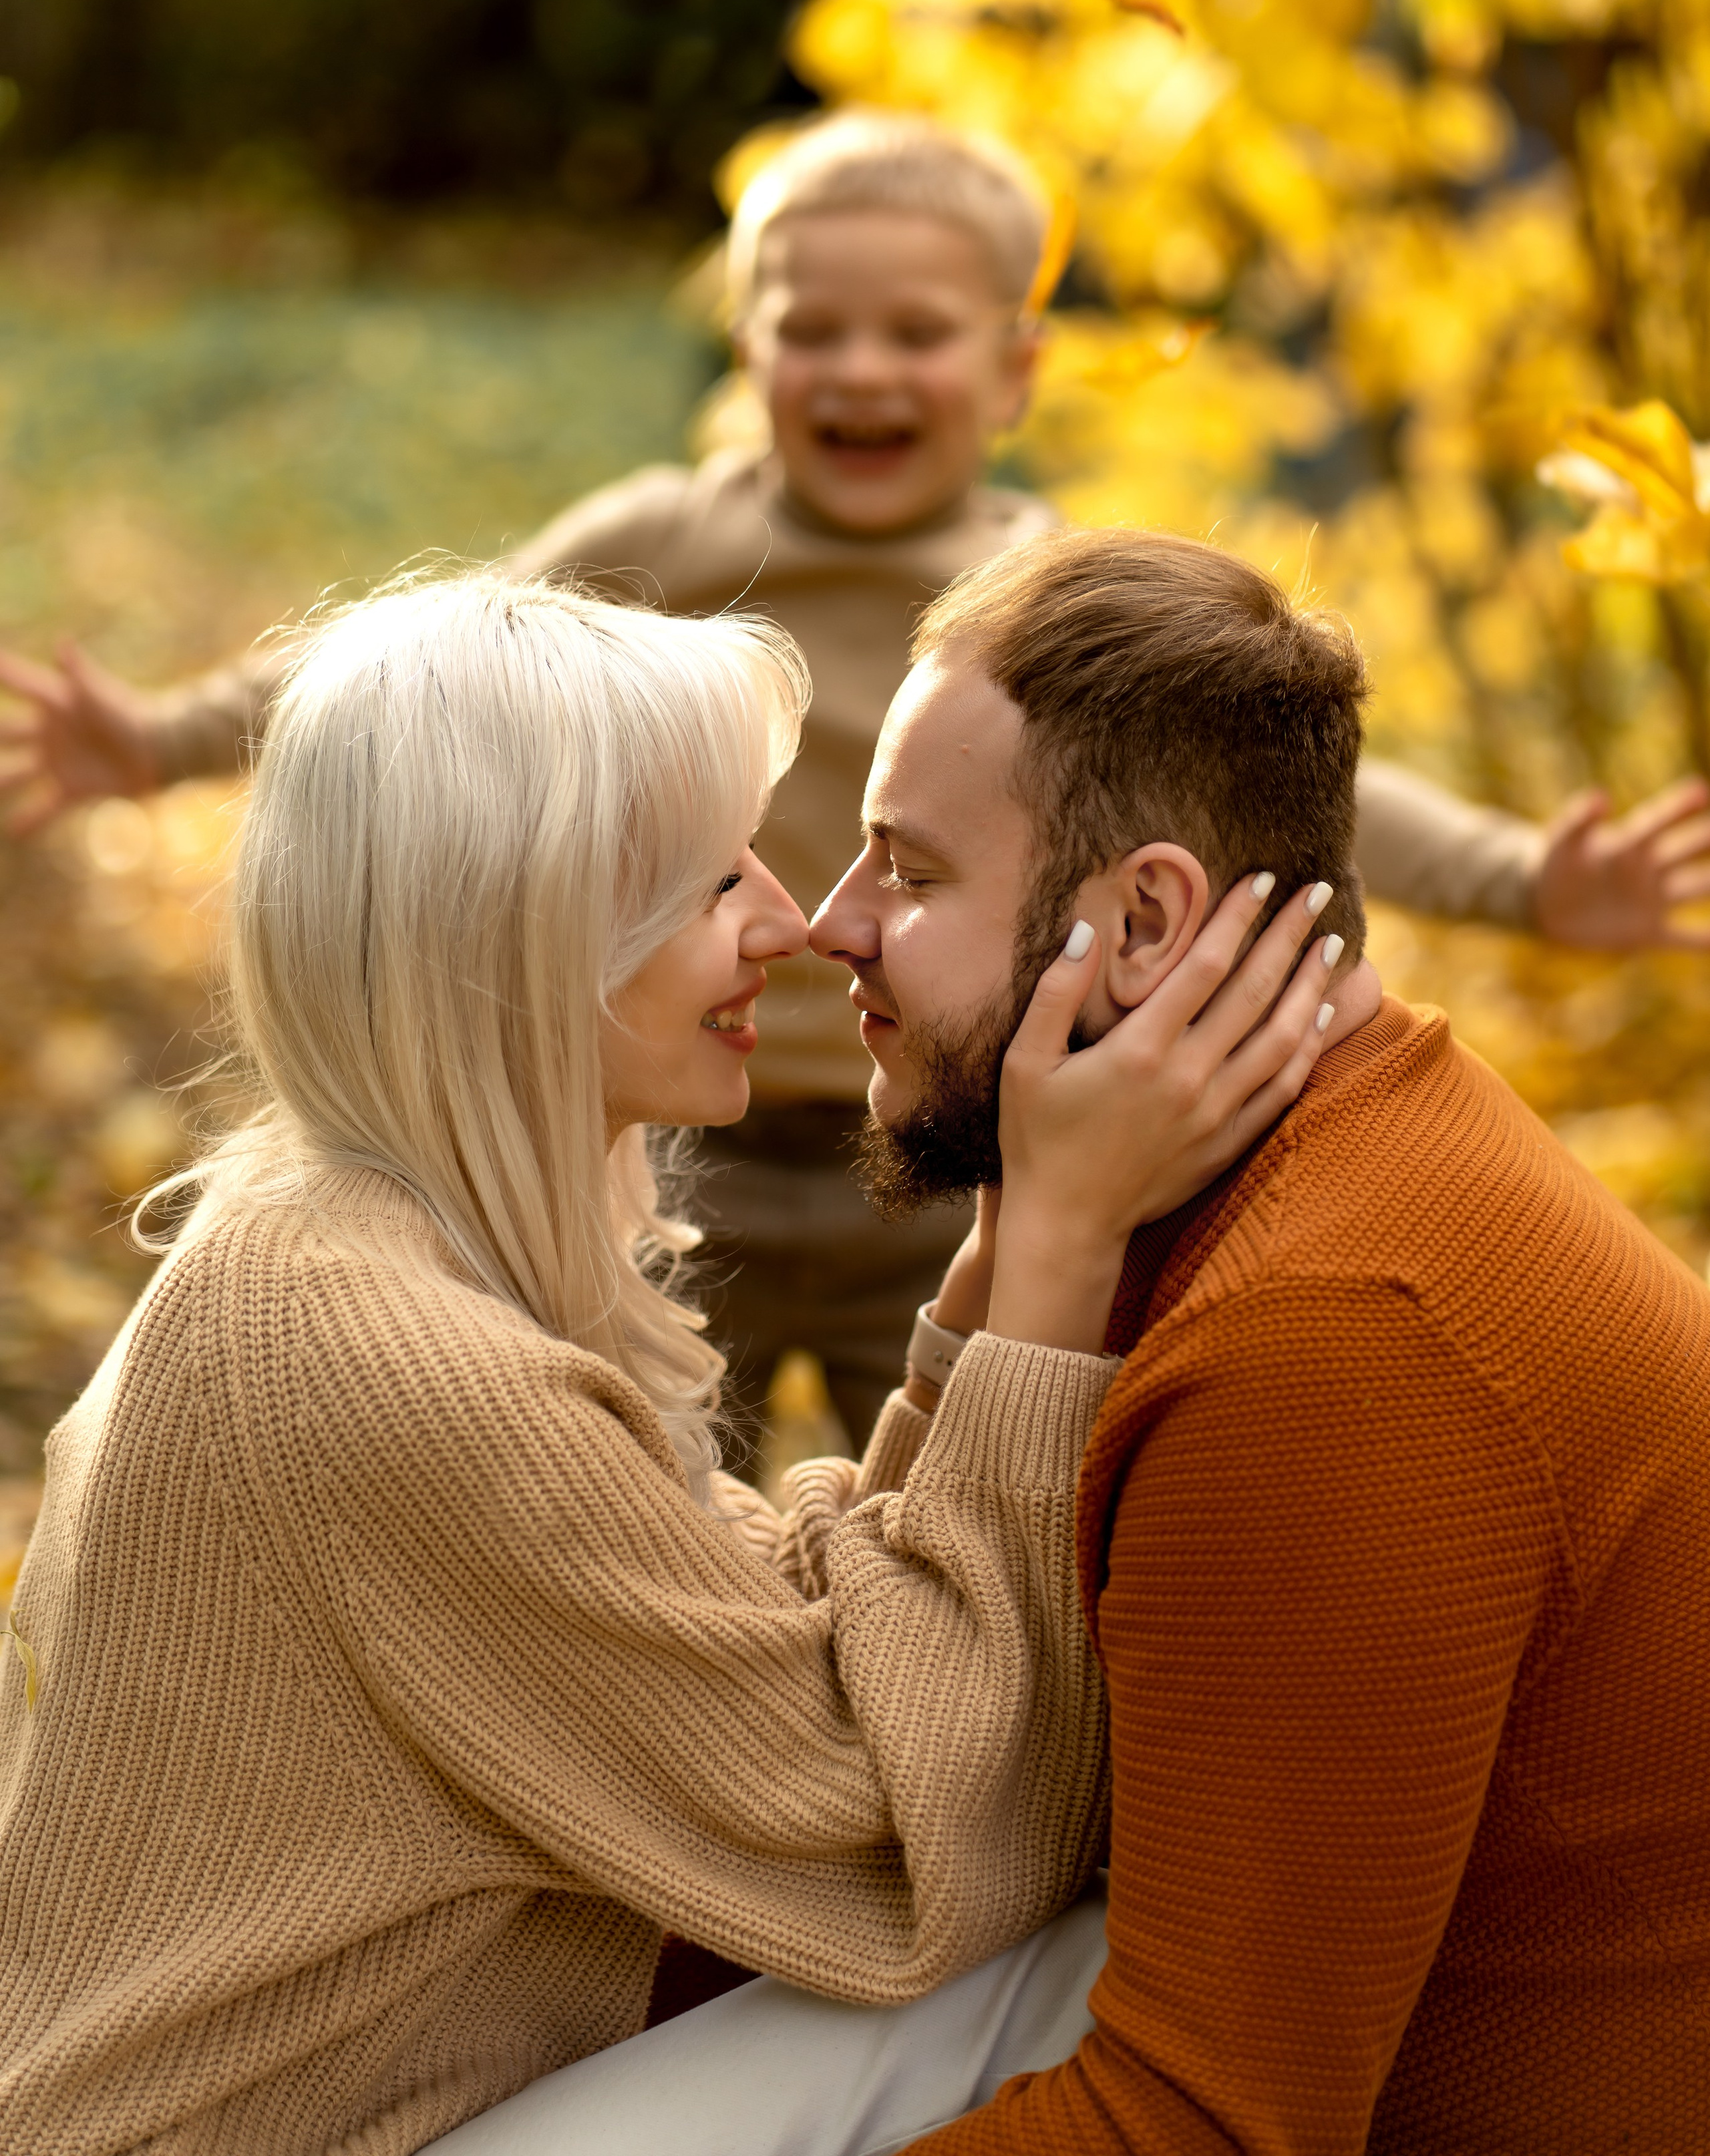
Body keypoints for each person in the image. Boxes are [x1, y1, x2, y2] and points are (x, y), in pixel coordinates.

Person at [4, 116, 1709, 1467]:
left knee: (975, 1434)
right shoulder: (665, 539)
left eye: (914, 333)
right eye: (809, 331)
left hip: (942, 1137)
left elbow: (1268, 785)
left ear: (1015, 370)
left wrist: (1522, 884)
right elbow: (416, 685)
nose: (859, 371)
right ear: (745, 350)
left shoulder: (1043, 595)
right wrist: (149, 742)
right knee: (670, 1464)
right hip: (698, 1138)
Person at [0, 568, 1340, 2155]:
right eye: (715, 881)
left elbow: (762, 1647)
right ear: (531, 935)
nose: (788, 921)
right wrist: (1057, 1255)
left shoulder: (339, 1243)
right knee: (1083, 1973)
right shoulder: (387, 1365)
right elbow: (916, 1850)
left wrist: (987, 1266)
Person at [514, 527, 1710, 2156]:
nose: (834, 929)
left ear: (1142, 922)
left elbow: (1192, 2129)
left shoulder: (1330, 1349)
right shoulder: (1259, 1177)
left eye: (912, 873)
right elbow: (899, 1744)